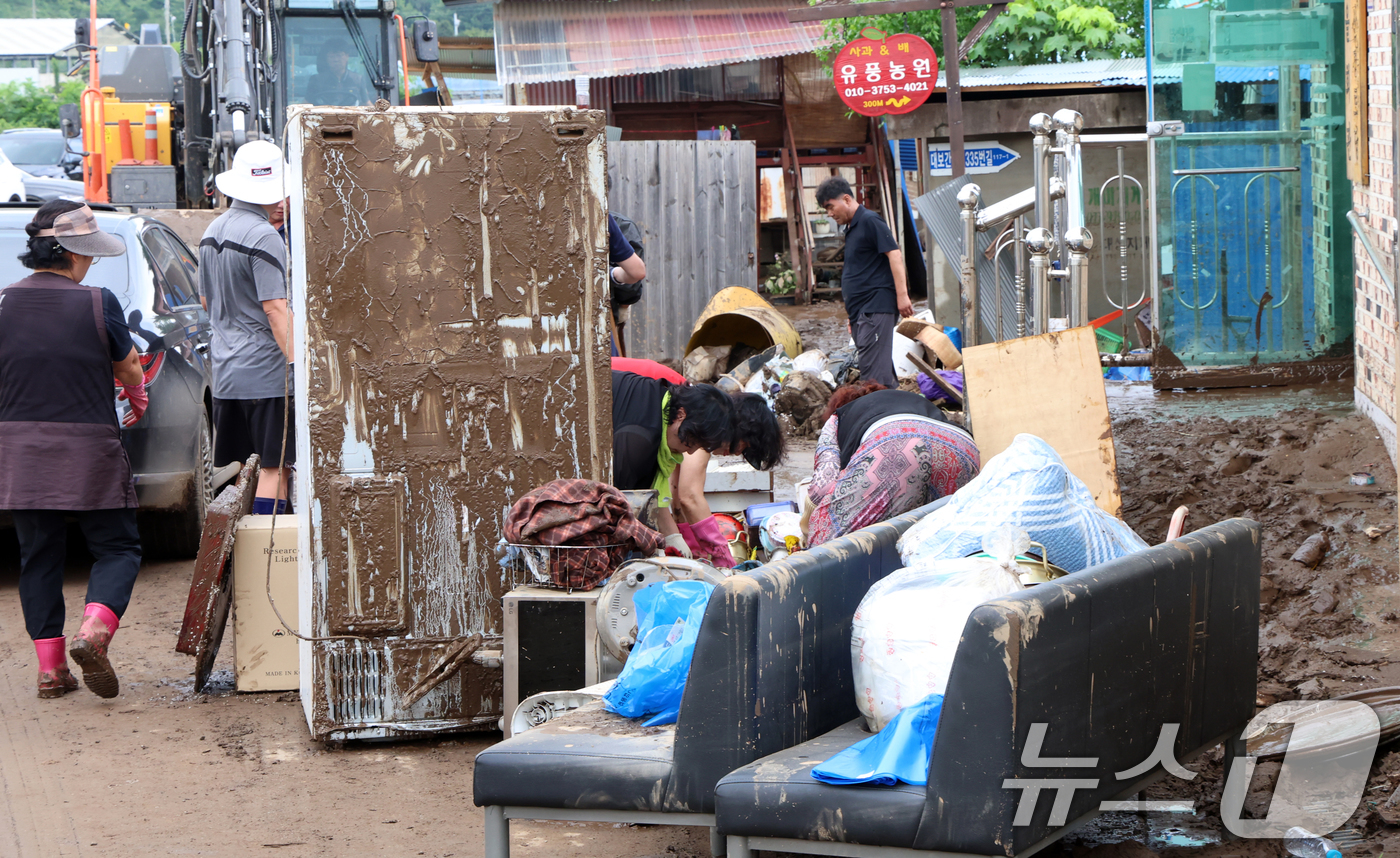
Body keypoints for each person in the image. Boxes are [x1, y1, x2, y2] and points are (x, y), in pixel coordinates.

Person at [0, 201, 146, 699]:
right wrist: (136, 391)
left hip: (21, 454)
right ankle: (93, 633)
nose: (92, 262)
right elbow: (129, 369)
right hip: (90, 452)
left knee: (38, 557)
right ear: (67, 253)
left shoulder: (2, 304)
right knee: (117, 547)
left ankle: (51, 671)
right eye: (87, 253)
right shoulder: (97, 302)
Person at [199, 140, 294, 515]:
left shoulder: (212, 231)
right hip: (267, 375)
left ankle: (244, 553)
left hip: (227, 373)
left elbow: (207, 301)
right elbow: (275, 309)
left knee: (246, 468)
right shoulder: (265, 235)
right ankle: (268, 562)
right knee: (275, 468)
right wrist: (296, 365)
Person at [808, 383, 979, 547]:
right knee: (937, 542)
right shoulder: (906, 400)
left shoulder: (837, 418)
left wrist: (810, 524)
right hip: (962, 446)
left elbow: (822, 489)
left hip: (897, 444)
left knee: (824, 547)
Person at [611, 370, 732, 556]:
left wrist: (673, 538)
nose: (690, 451)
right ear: (681, 416)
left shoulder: (664, 397)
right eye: (692, 442)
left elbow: (650, 495)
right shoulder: (639, 441)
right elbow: (620, 505)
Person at [816, 176, 914, 389]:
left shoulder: (870, 220)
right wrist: (853, 317)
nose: (830, 214)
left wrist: (902, 296)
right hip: (863, 311)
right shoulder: (852, 228)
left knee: (872, 377)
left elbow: (894, 255)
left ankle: (877, 415)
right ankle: (893, 409)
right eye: (826, 210)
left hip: (876, 306)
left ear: (846, 199)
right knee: (880, 371)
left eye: (830, 207)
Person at [608, 214, 645, 357]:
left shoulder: (621, 225)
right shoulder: (606, 218)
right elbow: (637, 273)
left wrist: (611, 274)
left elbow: (631, 288)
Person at [305, 39, 372, 106]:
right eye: (332, 56)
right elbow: (306, 104)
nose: (336, 60)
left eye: (339, 55)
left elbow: (366, 103)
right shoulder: (316, 80)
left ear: (347, 56)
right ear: (326, 59)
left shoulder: (358, 79)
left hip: (352, 116)